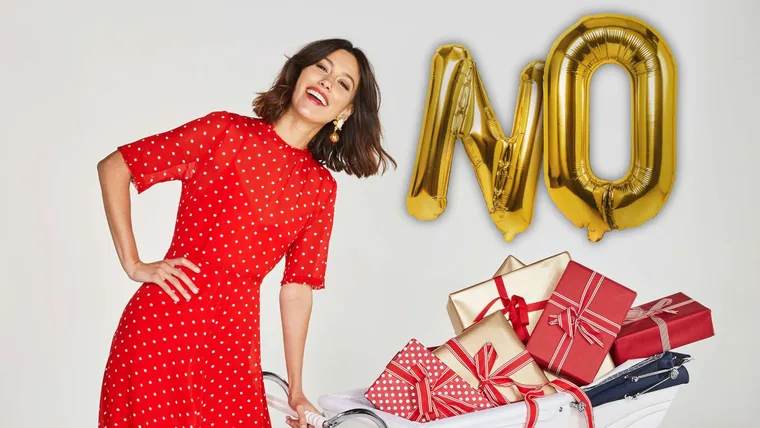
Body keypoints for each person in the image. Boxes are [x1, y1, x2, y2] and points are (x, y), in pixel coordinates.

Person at [96, 38, 396, 428]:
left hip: (233, 347)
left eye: (342, 83)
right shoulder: (224, 132)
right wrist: (134, 264)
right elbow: (116, 166)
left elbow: (297, 288)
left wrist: (297, 389)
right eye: (321, 68)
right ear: (299, 73)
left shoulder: (320, 188)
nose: (326, 82)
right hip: (162, 331)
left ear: (346, 111)